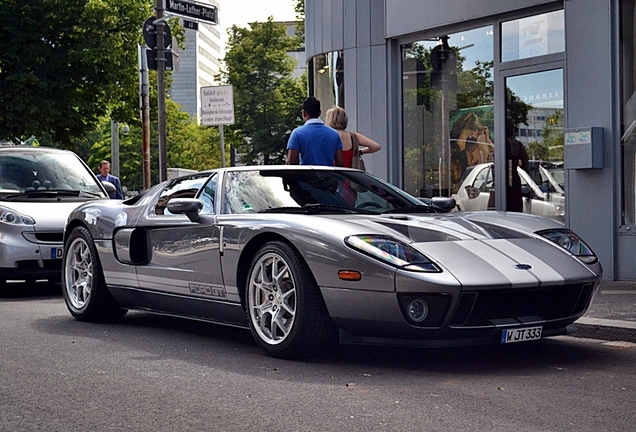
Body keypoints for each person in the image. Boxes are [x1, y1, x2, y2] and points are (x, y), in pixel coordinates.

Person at [286, 97, 344, 166]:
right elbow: (340, 163)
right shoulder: (334, 134)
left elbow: (291, 162)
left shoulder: (297, 133)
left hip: (307, 176)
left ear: (304, 113)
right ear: (319, 113)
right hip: (328, 176)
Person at [450, 112, 494, 189]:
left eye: (470, 145)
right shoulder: (466, 177)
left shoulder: (503, 163)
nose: (470, 160)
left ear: (484, 132)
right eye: (463, 153)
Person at [505, 118, 529, 212]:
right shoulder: (518, 145)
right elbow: (526, 165)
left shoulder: (498, 144)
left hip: (500, 181)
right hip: (514, 181)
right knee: (515, 210)